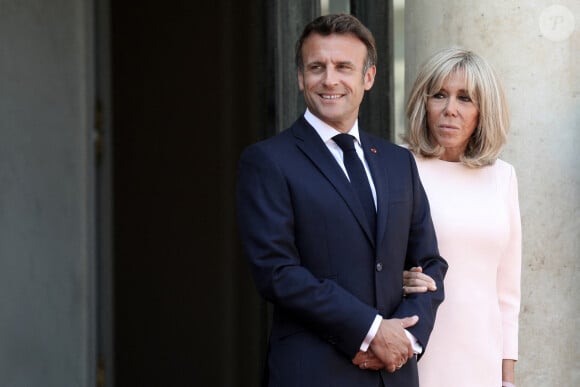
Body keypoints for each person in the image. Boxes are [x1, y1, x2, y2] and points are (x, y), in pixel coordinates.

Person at [236, 13, 448, 387]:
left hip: (395, 374)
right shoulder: (268, 161)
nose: (329, 79)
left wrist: (405, 339)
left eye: (343, 67)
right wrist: (371, 330)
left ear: (368, 77)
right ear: (301, 77)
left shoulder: (399, 163)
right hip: (314, 372)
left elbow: (429, 264)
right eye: (317, 67)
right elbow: (277, 273)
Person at [358, 47, 522, 387]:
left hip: (481, 356)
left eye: (465, 99)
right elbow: (364, 257)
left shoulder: (503, 176)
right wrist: (397, 276)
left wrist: (506, 378)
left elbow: (507, 293)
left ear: (483, 110)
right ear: (423, 102)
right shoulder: (394, 166)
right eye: (440, 95)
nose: (450, 110)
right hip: (412, 349)